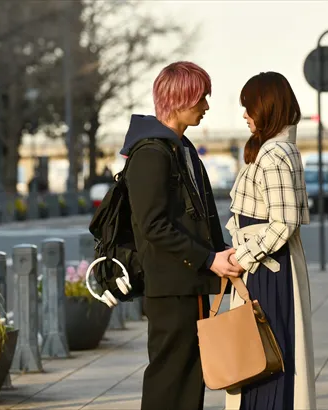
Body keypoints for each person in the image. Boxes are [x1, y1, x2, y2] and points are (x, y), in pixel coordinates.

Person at [121, 61, 243, 410]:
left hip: (188, 280)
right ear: (179, 99)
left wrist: (220, 253)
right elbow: (153, 225)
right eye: (201, 98)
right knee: (169, 377)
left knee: (188, 375)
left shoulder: (180, 147)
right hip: (169, 285)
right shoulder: (151, 153)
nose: (206, 106)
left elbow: (197, 215)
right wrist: (208, 258)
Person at [224, 72, 317, 410]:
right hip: (268, 266)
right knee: (266, 359)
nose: (246, 115)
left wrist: (244, 256)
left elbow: (285, 220)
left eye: (249, 108)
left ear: (267, 108)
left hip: (267, 270)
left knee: (263, 361)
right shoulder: (277, 148)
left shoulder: (274, 153)